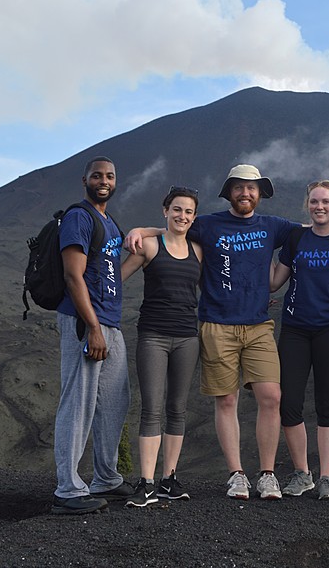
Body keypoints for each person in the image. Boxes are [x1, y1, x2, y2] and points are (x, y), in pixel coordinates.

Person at [125, 164, 329, 500]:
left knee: (271, 397)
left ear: (260, 194)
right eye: (239, 188)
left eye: (252, 188)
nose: (245, 193)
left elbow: (314, 225)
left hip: (259, 325)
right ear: (229, 192)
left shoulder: (273, 226)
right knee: (227, 399)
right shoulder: (208, 224)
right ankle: (236, 474)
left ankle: (266, 474)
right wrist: (140, 230)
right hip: (217, 324)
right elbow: (176, 226)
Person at [51, 156, 133, 515]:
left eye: (110, 176)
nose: (104, 180)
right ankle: (68, 489)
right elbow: (73, 277)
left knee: (115, 401)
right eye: (97, 175)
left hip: (110, 324)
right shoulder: (79, 218)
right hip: (87, 324)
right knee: (79, 402)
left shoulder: (109, 222)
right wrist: (94, 328)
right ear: (84, 179)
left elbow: (112, 274)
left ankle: (106, 477)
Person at [269, 181, 329, 501]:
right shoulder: (296, 238)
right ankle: (303, 473)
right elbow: (275, 282)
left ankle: (327, 478)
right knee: (289, 401)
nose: (320, 207)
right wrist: (256, 256)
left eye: (326, 202)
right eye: (315, 201)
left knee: (327, 403)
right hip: (295, 328)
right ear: (307, 205)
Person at [120, 186, 202, 507]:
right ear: (165, 210)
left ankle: (169, 478)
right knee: (152, 408)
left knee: (177, 409)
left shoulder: (199, 249)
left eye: (189, 212)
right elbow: (117, 279)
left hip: (187, 338)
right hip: (153, 336)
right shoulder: (150, 246)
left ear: (194, 217)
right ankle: (147, 482)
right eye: (177, 209)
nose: (182, 216)